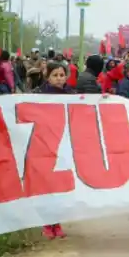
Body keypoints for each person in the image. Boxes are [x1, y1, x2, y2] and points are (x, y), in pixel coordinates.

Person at [35, 61, 74, 240]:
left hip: (63, 146)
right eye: (55, 75)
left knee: (59, 188)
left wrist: (104, 99)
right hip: (43, 146)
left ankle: (57, 223)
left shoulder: (71, 95)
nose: (59, 79)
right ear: (47, 77)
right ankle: (46, 223)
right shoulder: (37, 95)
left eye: (62, 75)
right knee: (45, 185)